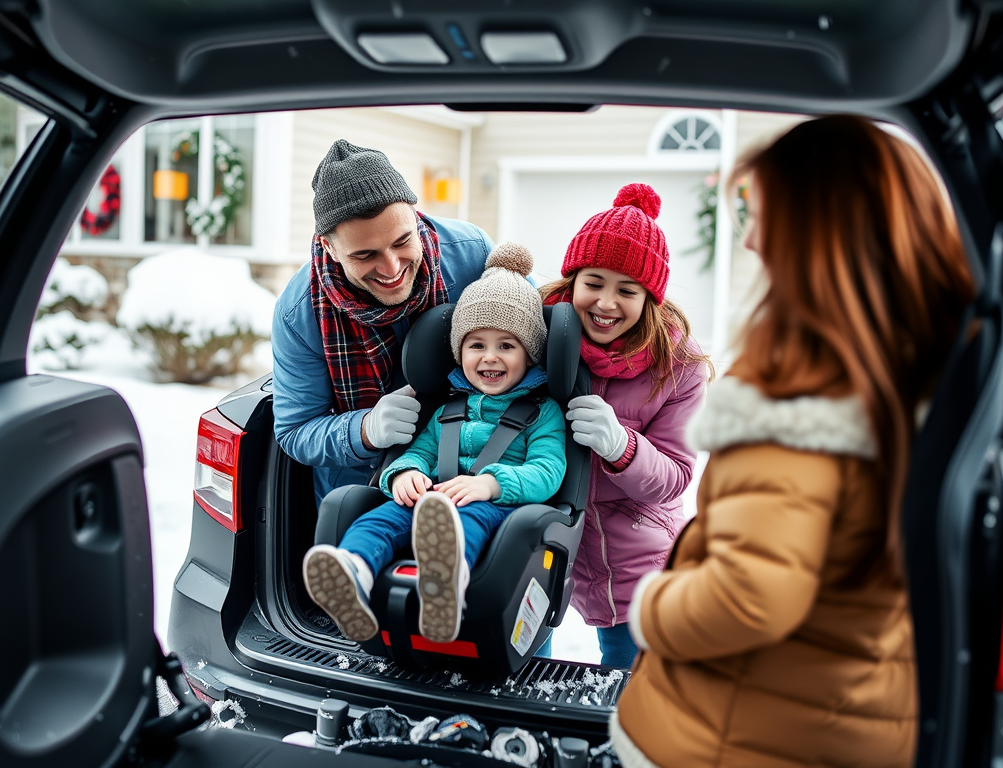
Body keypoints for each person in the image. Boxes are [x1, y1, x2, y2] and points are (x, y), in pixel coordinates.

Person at [611, 115, 976, 768]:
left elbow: (747, 597)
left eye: (764, 215)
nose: (750, 241)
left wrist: (656, 606)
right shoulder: (929, 369)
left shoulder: (800, 398)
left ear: (820, 235)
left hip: (734, 734)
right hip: (848, 714)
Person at [302, 243, 567, 645]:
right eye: (476, 345)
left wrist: (490, 484)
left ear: (530, 354)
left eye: (506, 346)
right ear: (459, 353)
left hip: (497, 511)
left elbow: (548, 472)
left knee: (466, 520)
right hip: (429, 503)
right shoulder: (448, 407)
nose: (489, 357)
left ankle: (445, 582)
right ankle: (353, 571)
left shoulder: (541, 411)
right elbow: (422, 451)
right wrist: (403, 474)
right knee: (379, 520)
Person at [538, 182, 712, 668]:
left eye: (627, 290)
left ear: (649, 297)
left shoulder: (678, 366)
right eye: (594, 282)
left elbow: (676, 476)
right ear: (574, 279)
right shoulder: (538, 332)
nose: (606, 303)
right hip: (540, 539)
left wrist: (622, 446)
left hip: (635, 553)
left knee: (634, 690)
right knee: (520, 672)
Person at [272, 140, 493, 507]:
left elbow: (531, 339)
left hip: (475, 474)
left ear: (413, 214)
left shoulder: (473, 255)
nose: (391, 268)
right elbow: (296, 431)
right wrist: (365, 429)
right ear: (329, 248)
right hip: (365, 489)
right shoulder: (300, 314)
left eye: (402, 241)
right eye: (365, 254)